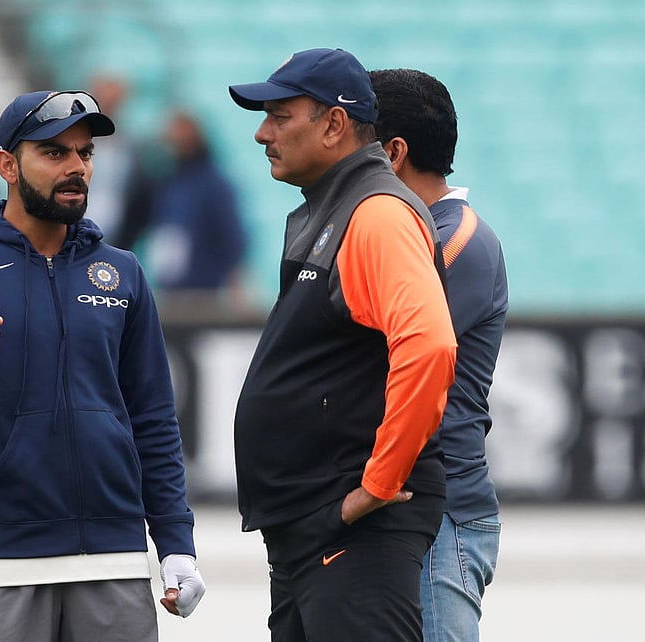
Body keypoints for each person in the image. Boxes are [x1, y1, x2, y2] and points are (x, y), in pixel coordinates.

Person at [0, 89, 205, 641]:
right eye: (54, 152)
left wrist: (175, 542)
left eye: (85, 153)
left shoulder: (122, 273)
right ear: (7, 165)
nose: (77, 167)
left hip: (115, 561)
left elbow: (153, 417)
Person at [229, 48, 458, 641]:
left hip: (352, 528)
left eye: (280, 115)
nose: (262, 132)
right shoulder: (339, 206)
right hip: (318, 528)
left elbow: (429, 345)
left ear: (333, 124)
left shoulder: (376, 213)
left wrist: (376, 486)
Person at [370, 68, 509, 642]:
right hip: (413, 508)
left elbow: (387, 357)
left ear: (393, 153)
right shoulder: (417, 231)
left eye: (353, 139)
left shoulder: (452, 240)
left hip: (437, 512)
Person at [141, 109, 249, 306]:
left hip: (203, 292)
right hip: (169, 289)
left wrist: (236, 284)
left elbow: (232, 237)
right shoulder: (168, 182)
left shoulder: (214, 183)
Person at [83, 73, 155, 250]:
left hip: (117, 235)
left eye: (115, 101)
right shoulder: (74, 140)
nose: (110, 106)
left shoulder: (130, 145)